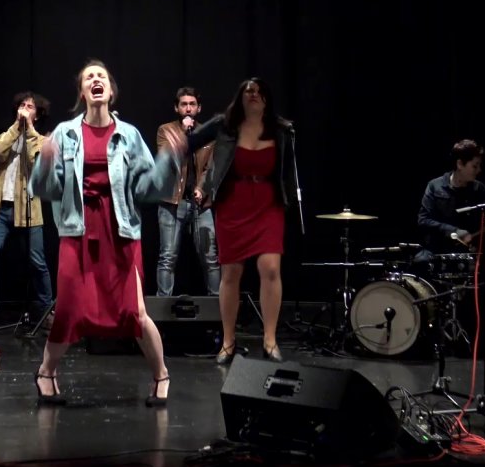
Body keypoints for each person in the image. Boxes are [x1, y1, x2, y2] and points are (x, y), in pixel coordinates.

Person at [29, 59, 185, 406]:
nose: (96, 80)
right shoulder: (65, 133)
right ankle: (46, 373)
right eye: (89, 77)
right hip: (78, 230)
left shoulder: (128, 135)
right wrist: (45, 163)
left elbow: (147, 188)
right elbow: (47, 189)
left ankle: (161, 375)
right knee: (67, 309)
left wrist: (168, 161)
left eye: (101, 77)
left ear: (110, 92)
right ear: (83, 92)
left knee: (134, 311)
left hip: (120, 231)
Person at [193, 78, 297, 364]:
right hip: (233, 202)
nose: (254, 95)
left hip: (267, 203)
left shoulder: (281, 130)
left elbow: (288, 172)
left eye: (260, 92)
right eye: (249, 91)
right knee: (231, 273)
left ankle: (270, 340)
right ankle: (228, 342)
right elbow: (190, 142)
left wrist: (288, 200)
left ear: (267, 99)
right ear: (240, 96)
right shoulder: (224, 125)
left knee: (270, 267)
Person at [0, 91, 54, 330]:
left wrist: (28, 130)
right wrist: (16, 128)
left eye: (30, 107)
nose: (25, 109)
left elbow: (35, 159)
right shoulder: (8, 134)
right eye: (22, 105)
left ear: (37, 114)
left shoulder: (41, 139)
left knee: (37, 262)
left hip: (28, 208)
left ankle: (47, 311)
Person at [154, 86, 220, 297]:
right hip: (172, 202)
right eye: (184, 104)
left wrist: (201, 188)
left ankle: (216, 308)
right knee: (167, 257)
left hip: (201, 203)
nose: (188, 109)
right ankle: (162, 308)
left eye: (192, 104)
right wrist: (183, 133)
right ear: (177, 108)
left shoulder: (208, 134)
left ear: (199, 108)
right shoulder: (165, 131)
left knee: (210, 257)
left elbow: (211, 167)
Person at [415, 139, 485, 266]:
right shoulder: (435, 186)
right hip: (435, 250)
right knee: (419, 262)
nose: (479, 170)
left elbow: (484, 226)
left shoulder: (480, 190)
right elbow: (423, 220)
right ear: (460, 164)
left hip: (467, 251)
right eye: (475, 166)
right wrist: (453, 231)